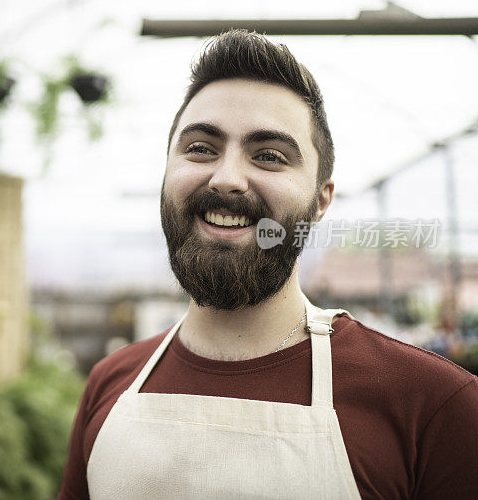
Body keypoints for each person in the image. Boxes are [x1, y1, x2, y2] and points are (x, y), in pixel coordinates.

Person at [58, 30, 478, 499]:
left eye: (269, 156)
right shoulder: (109, 383)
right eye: (200, 148)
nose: (227, 178)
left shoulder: (432, 404)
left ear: (321, 202)